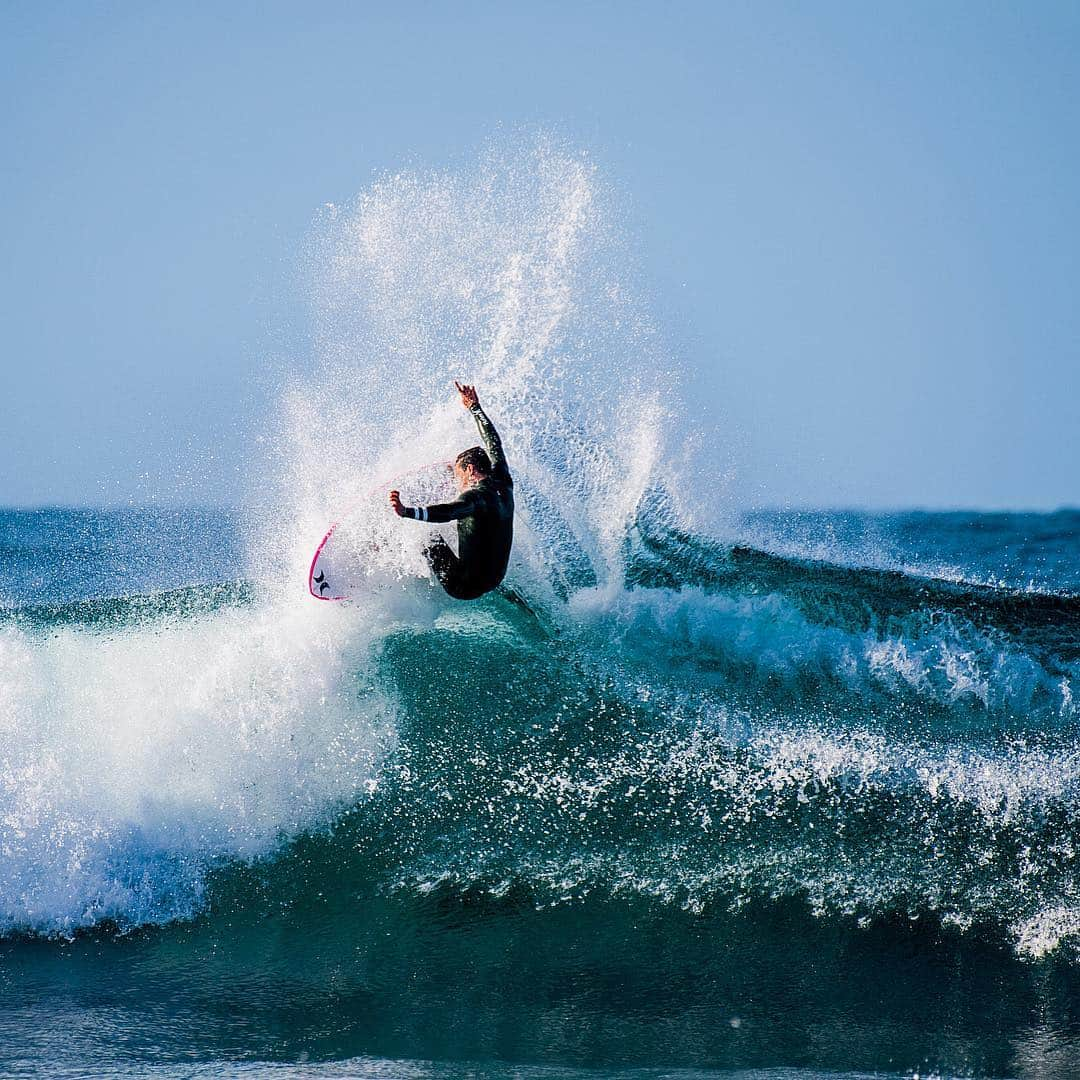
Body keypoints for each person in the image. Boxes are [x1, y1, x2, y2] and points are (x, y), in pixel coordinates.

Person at [389, 382, 514, 600]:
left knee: (422, 536)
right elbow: (494, 444)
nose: (458, 481)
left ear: (470, 469)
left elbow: (448, 512)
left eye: (458, 474)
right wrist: (475, 408)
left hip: (462, 586)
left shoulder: (475, 497)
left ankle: (380, 549)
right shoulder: (503, 480)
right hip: (493, 580)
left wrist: (406, 511)